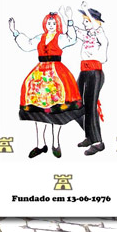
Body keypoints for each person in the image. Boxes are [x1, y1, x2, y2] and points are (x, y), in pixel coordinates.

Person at [9, 11, 83, 159]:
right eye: (49, 23)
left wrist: (69, 21)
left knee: (56, 111)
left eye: (54, 23)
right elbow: (27, 44)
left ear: (58, 25)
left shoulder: (61, 37)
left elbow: (72, 39)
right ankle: (40, 144)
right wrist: (14, 32)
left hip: (57, 74)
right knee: (38, 110)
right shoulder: (40, 38)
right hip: (40, 75)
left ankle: (56, 143)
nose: (51, 26)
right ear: (45, 24)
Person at [64, 4, 108, 155]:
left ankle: (98, 142)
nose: (84, 23)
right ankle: (90, 135)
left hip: (95, 72)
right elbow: (73, 33)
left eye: (87, 20)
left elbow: (96, 26)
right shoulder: (87, 34)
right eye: (84, 20)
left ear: (95, 21)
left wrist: (88, 10)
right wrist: (69, 19)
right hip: (84, 71)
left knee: (90, 107)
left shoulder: (100, 34)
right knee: (74, 104)